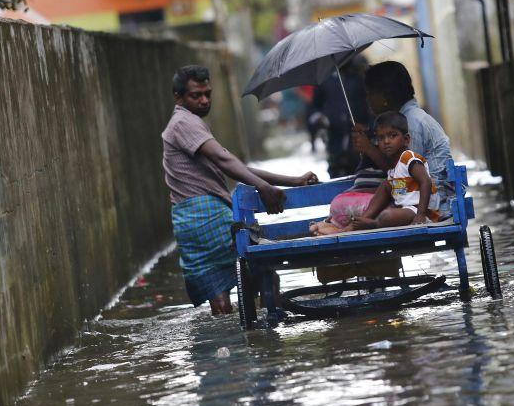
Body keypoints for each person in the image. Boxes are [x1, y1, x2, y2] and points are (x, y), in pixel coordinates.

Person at [162, 65, 317, 315]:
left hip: (187, 220)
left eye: (207, 94)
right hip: (205, 213)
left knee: (219, 298)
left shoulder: (187, 122)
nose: (204, 100)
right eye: (196, 95)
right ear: (178, 97)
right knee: (262, 270)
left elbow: (232, 163)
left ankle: (233, 341)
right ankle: (266, 333)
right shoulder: (184, 122)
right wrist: (263, 187)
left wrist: (293, 181)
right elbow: (226, 162)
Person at [352, 61, 454, 217]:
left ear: (384, 95)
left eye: (370, 93)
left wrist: (370, 149)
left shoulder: (411, 122)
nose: (367, 100)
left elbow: (403, 173)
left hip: (430, 203)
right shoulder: (403, 120)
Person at [351, 112, 439, 230]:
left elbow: (425, 182)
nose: (386, 141)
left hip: (421, 211)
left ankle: (373, 224)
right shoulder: (394, 166)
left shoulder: (409, 158)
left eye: (392, 136)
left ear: (406, 139)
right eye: (381, 138)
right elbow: (399, 189)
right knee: (386, 185)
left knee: (387, 216)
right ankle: (365, 218)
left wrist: (421, 215)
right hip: (406, 209)